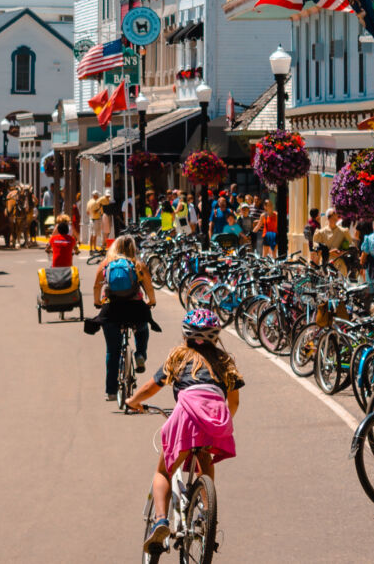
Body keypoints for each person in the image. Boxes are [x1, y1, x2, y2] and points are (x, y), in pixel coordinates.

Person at [125, 309, 243, 557]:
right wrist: (223, 420)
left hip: (187, 415)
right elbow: (233, 402)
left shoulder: (178, 357)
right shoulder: (224, 362)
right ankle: (206, 515)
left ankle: (160, 522)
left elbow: (150, 387)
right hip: (216, 417)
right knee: (205, 460)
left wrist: (133, 401)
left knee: (163, 471)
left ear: (186, 335)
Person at [85, 235, 157, 402]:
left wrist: (97, 302)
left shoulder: (106, 264)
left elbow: (96, 286)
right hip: (134, 308)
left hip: (111, 310)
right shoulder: (138, 265)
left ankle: (111, 391)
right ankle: (140, 354)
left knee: (112, 350)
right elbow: (149, 288)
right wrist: (150, 302)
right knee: (142, 329)